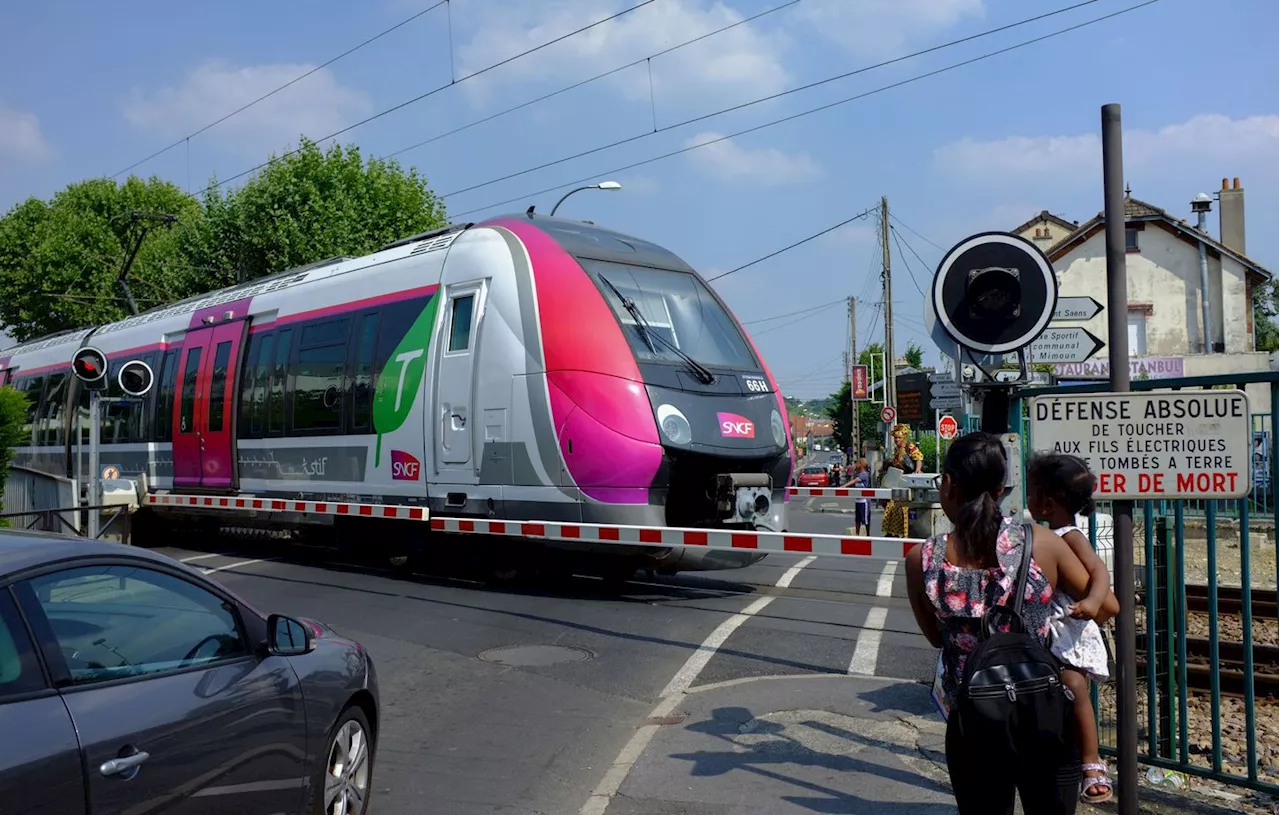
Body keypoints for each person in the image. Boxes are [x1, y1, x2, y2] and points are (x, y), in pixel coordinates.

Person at [903, 432, 1119, 815]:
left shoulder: (922, 559)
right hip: (1044, 712)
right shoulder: (1043, 544)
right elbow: (1106, 607)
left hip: (974, 722)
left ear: (948, 484)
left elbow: (938, 639)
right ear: (1002, 488)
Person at [1027, 452, 1116, 804]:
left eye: (1032, 492)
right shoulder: (1048, 534)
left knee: (1075, 685)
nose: (1027, 499)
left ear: (1047, 503)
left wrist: (1093, 602)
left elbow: (1099, 572)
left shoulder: (1070, 535)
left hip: (1070, 627)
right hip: (1054, 626)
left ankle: (1091, 760)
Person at [881, 424, 924, 538]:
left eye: (899, 438)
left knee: (904, 506)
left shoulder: (909, 447)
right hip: (897, 479)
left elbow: (919, 457)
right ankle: (892, 532)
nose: (897, 440)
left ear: (904, 437)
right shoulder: (896, 450)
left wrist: (917, 470)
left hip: (906, 479)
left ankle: (905, 532)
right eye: (895, 437)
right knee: (892, 505)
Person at [852, 458, 871, 536]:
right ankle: (857, 535)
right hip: (858, 501)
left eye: (857, 463)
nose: (855, 465)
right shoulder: (858, 474)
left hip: (864, 501)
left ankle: (868, 535)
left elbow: (854, 481)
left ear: (861, 464)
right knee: (857, 520)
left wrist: (843, 486)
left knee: (865, 520)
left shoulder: (864, 475)